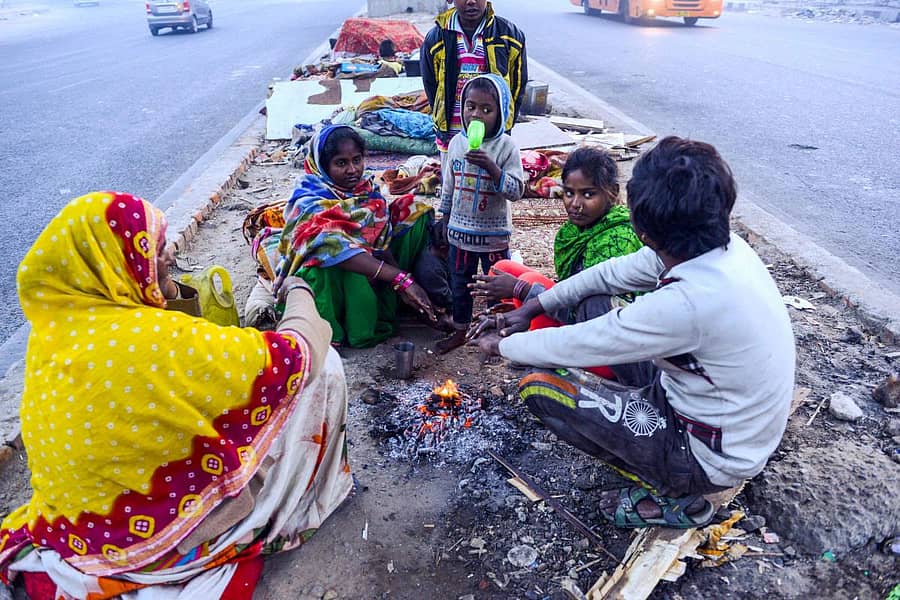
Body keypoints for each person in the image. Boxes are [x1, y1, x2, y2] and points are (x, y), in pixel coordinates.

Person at [0, 192, 353, 598]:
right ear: (113, 262)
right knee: (323, 368)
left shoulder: (56, 334)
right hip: (151, 546)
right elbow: (296, 355)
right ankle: (312, 493)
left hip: (77, 530)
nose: (168, 253)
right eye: (153, 245)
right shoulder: (157, 341)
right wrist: (297, 291)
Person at [470, 137, 796, 528]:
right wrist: (535, 307)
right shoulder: (717, 246)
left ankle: (675, 495)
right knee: (594, 301)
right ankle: (649, 435)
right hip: (720, 414)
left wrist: (503, 344)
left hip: (711, 458)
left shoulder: (687, 302)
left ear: (642, 228)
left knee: (539, 385)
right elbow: (605, 276)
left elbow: (580, 342)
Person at [257, 125, 439, 348]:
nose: (352, 170)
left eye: (357, 160)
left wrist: (402, 283)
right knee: (332, 249)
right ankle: (334, 331)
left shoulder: (367, 190)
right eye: (341, 163)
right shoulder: (309, 200)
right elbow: (331, 243)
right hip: (333, 282)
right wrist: (399, 277)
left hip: (373, 273)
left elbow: (381, 240)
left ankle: (398, 304)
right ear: (322, 166)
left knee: (411, 210)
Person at [471, 146, 643, 327]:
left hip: (596, 327)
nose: (575, 204)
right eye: (569, 193)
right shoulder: (577, 230)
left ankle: (536, 344)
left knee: (528, 283)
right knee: (503, 267)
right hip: (576, 308)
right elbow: (570, 284)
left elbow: (593, 314)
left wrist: (522, 291)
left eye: (588, 194)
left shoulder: (617, 241)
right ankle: (519, 319)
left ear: (613, 192)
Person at [436, 74, 525, 353]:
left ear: (501, 114)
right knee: (460, 284)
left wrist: (492, 168)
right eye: (470, 106)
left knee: (493, 286)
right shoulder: (456, 144)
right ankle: (461, 330)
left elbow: (516, 190)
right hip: (460, 234)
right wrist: (444, 215)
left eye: (487, 110)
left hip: (493, 236)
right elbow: (448, 183)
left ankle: (495, 332)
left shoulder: (506, 147)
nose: (477, 114)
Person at [420, 0, 528, 157]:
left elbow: (517, 87)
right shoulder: (436, 38)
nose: (471, 1)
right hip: (451, 134)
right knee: (452, 178)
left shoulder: (509, 36)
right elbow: (432, 86)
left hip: (493, 134)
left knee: (490, 176)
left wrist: (505, 124)